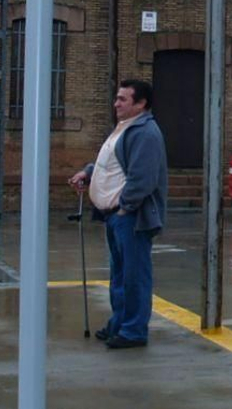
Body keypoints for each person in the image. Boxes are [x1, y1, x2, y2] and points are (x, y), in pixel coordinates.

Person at [69, 79, 167, 349]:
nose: (116, 103)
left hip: (130, 217)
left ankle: (133, 330)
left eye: (123, 99)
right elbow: (111, 163)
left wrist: (125, 206)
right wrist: (89, 173)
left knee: (134, 276)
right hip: (116, 216)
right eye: (117, 98)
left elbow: (143, 178)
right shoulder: (124, 129)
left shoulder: (145, 133)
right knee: (120, 275)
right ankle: (120, 323)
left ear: (141, 104)